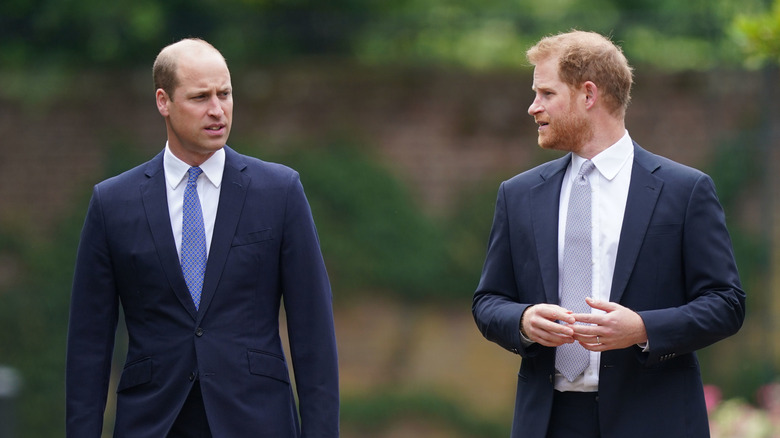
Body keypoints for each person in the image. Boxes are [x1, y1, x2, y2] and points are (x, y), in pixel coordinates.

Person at [472, 30, 745, 438]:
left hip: (655, 420)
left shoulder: (685, 190)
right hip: (547, 422)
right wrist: (525, 320)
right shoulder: (518, 194)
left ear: (588, 94)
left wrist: (643, 328)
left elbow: (726, 304)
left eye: (546, 93)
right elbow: (488, 301)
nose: (533, 107)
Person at [66, 38, 339, 438]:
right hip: (153, 422)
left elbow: (313, 333)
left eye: (225, 94)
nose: (217, 110)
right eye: (200, 97)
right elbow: (88, 346)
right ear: (164, 101)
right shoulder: (112, 203)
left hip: (258, 421)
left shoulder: (279, 191)